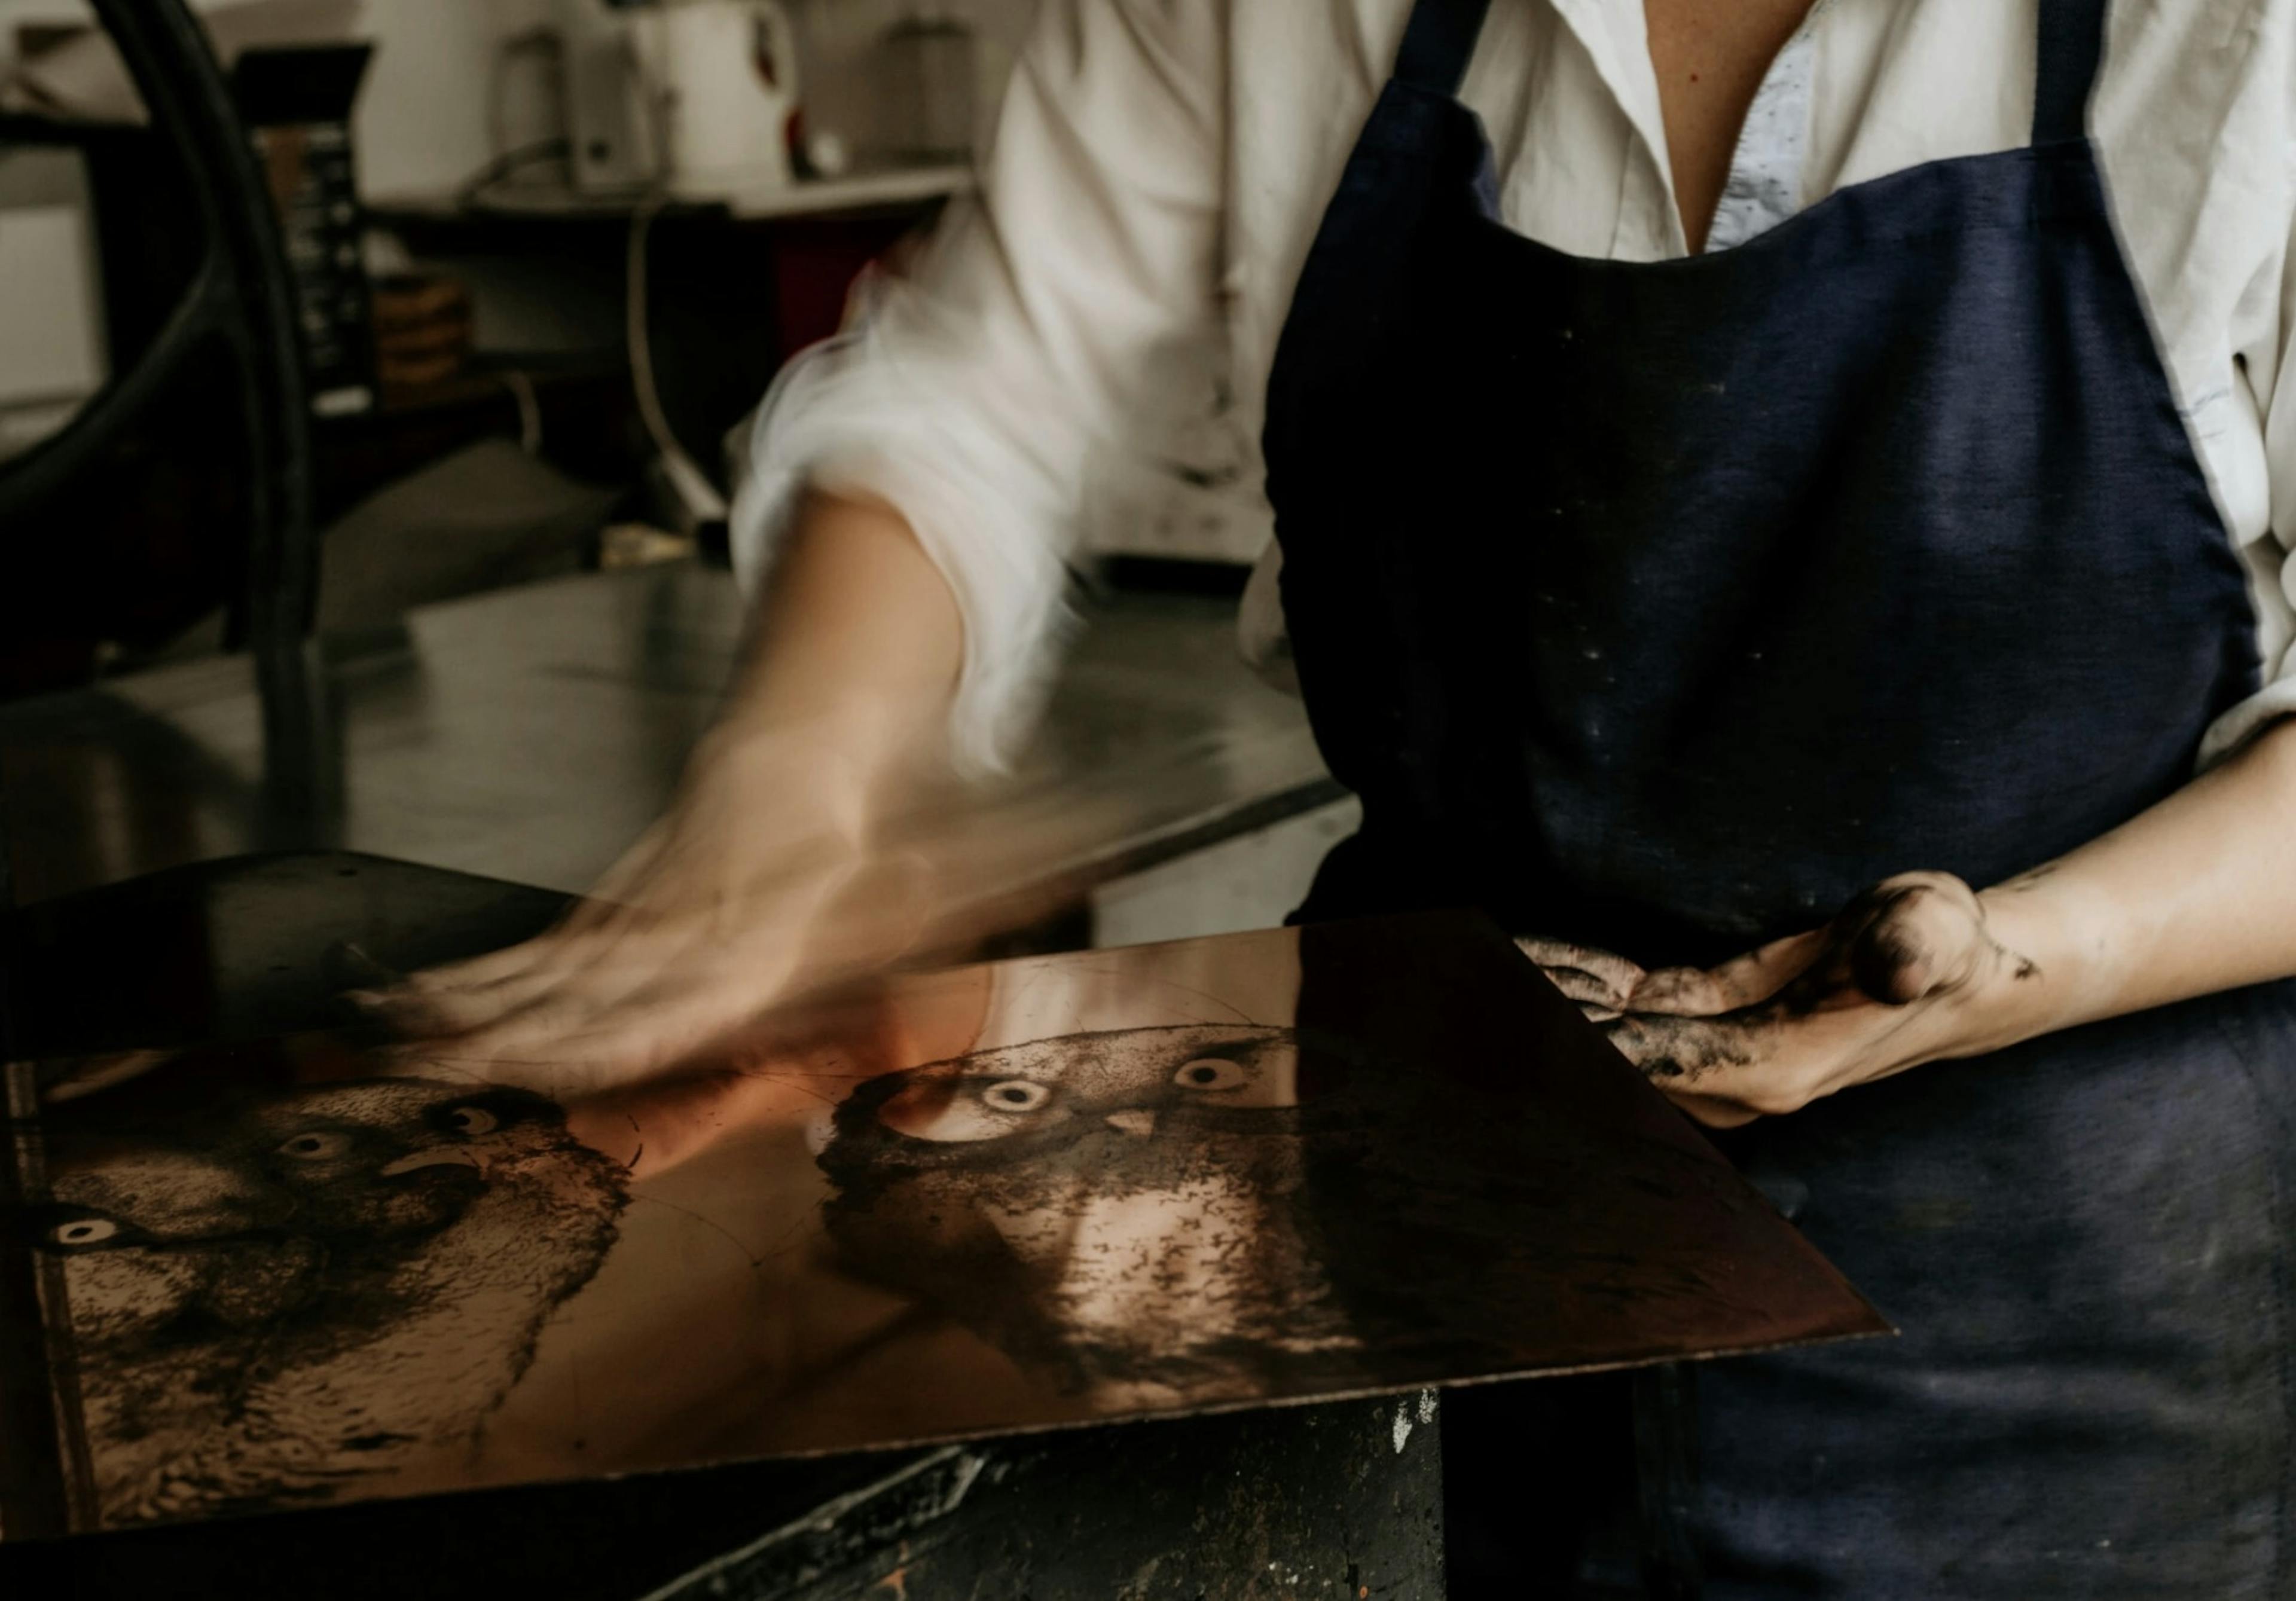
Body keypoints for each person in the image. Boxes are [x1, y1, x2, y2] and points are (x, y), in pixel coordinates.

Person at [367, 0, 2296, 1593]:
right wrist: (793, 778)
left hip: (2064, 1295)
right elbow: (972, 390)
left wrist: (2024, 950)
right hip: (1428, 1232)